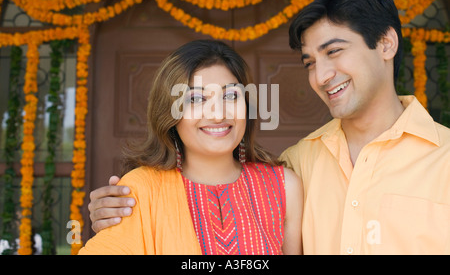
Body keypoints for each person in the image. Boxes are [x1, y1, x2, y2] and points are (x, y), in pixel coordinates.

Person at [88, 0, 450, 254]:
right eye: (310, 62)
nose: (321, 76)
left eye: (334, 52)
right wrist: (111, 212)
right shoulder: (299, 164)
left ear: (386, 44)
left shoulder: (444, 159)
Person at [78, 39, 303, 255]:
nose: (218, 114)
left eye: (231, 95)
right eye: (196, 99)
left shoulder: (284, 188)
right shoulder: (139, 191)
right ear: (170, 113)